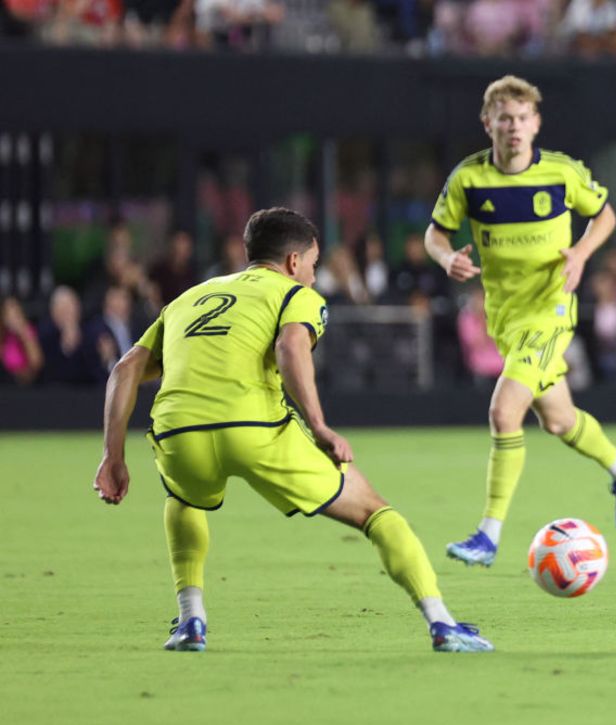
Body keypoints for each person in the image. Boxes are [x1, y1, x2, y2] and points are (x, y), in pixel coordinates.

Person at [92, 207, 493, 653]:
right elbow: (290, 344)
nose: (316, 277)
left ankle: (191, 621)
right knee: (375, 512)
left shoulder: (189, 298)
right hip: (253, 428)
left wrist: (113, 456)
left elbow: (125, 368)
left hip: (177, 432)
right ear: (293, 262)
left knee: (184, 499)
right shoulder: (293, 294)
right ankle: (442, 623)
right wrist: (319, 425)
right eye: (315, 265)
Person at [424, 75, 616, 567]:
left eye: (523, 118)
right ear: (488, 124)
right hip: (505, 318)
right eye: (505, 119)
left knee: (505, 412)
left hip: (552, 310)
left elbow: (604, 215)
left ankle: (488, 534)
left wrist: (582, 253)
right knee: (560, 419)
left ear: (536, 123)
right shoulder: (468, 179)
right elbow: (434, 235)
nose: (515, 127)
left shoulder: (561, 173)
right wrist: (445, 260)